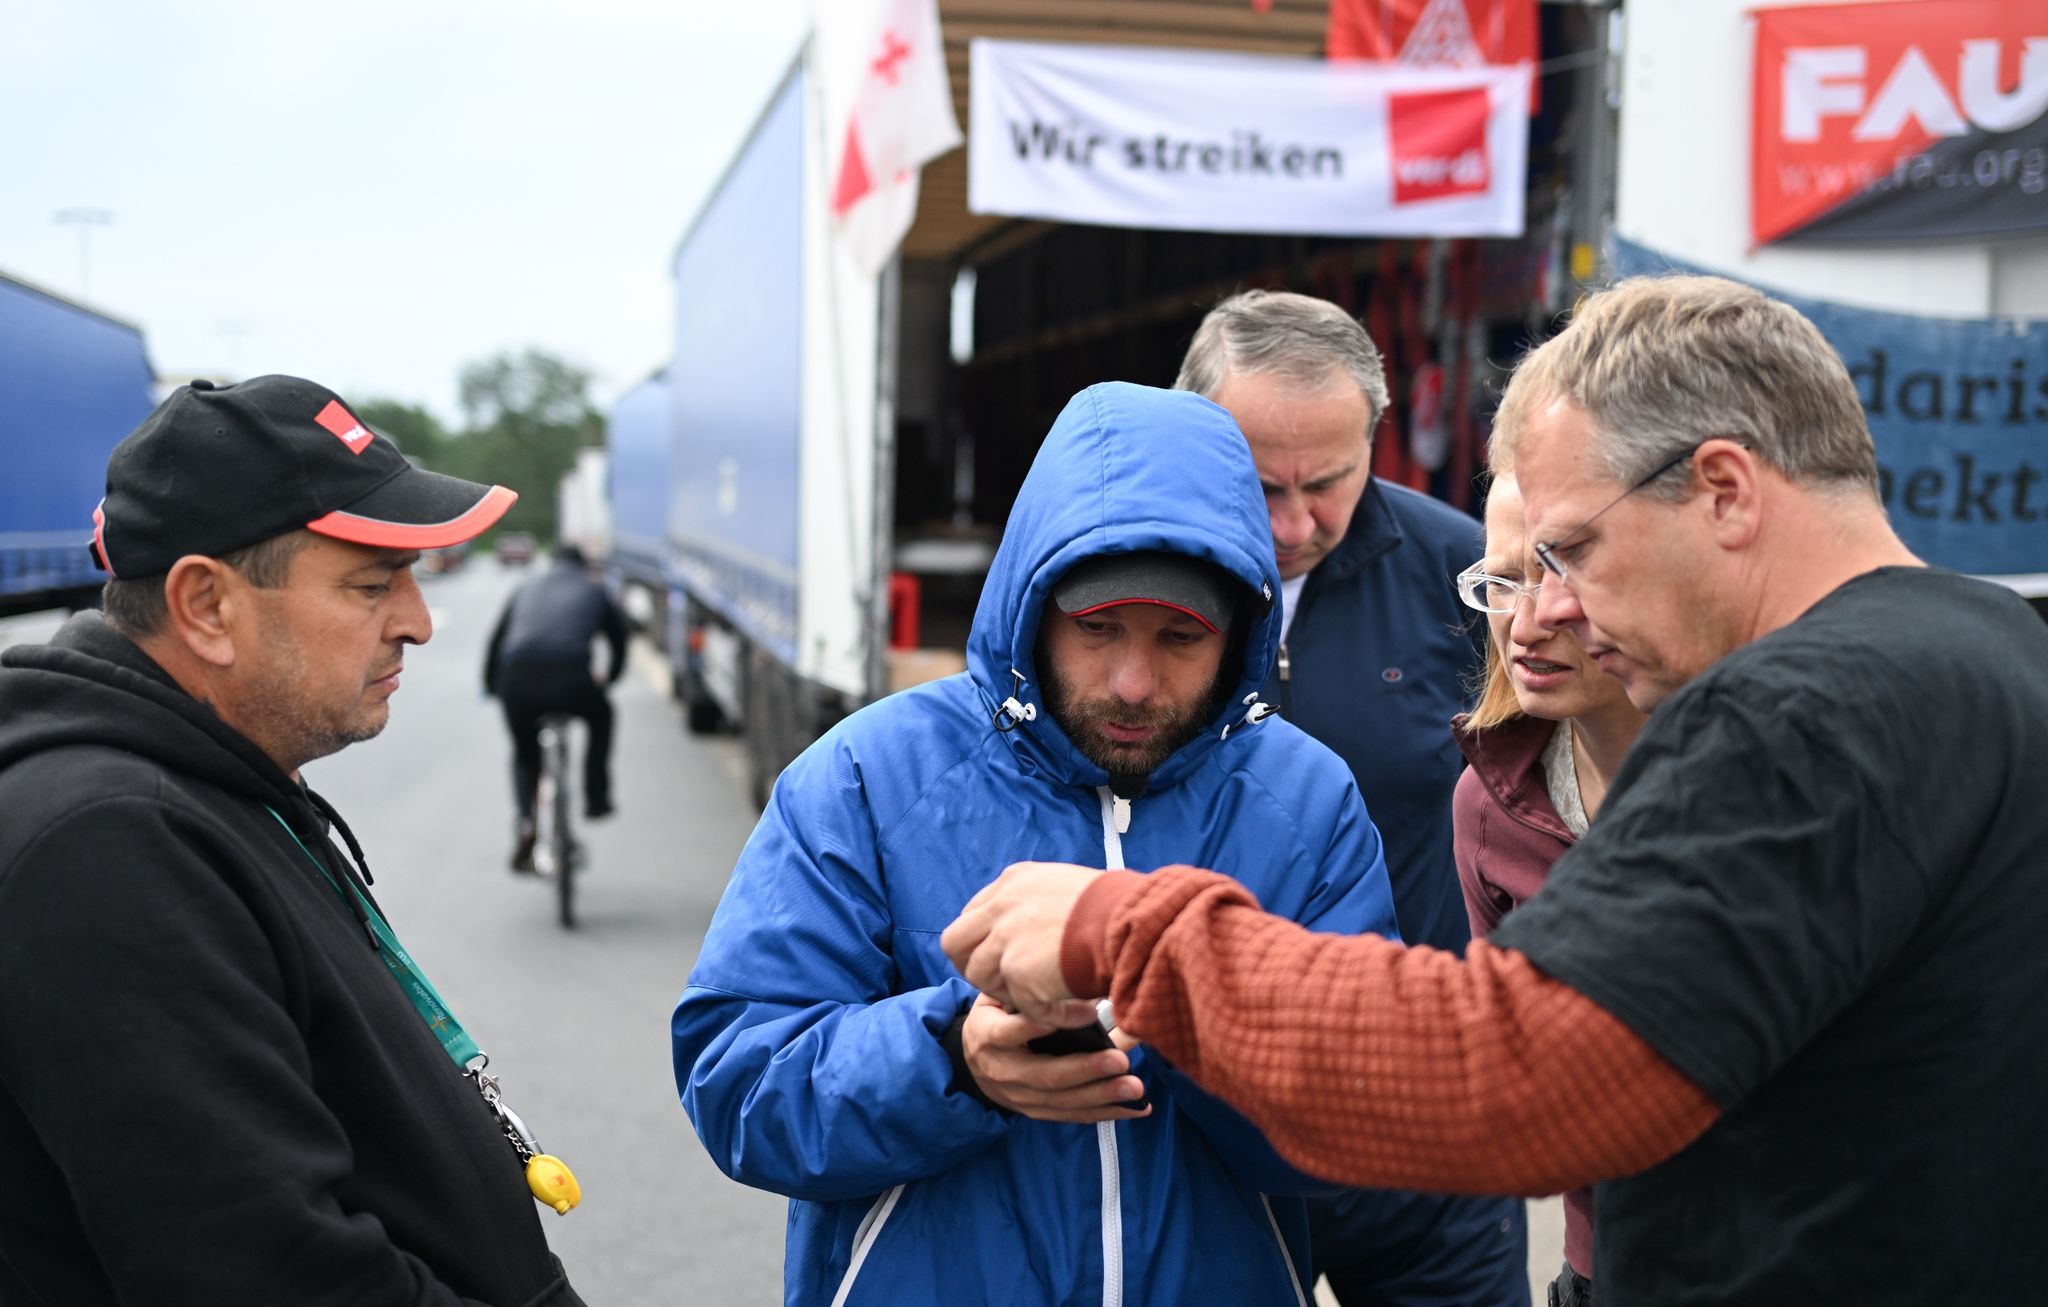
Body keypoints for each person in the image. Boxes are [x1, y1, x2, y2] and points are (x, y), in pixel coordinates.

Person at [942, 275, 2048, 1304]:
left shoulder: (1799, 712)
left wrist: (1125, 929)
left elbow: (1515, 1071)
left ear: (1723, 490)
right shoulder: (1995, 648)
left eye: (1572, 550)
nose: (1553, 611)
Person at [672, 381, 1398, 1306]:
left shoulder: (1308, 800)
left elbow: (1363, 1117)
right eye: (1098, 628)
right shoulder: (863, 776)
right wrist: (952, 1058)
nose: (1133, 680)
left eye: (1181, 637)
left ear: (1243, 637)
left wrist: (1196, 1013)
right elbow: (739, 1083)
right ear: (1033, 604)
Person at [0, 375, 586, 1305]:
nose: (417, 622)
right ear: (206, 605)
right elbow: (267, 1268)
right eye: (372, 584)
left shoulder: (207, 781)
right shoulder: (105, 844)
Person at [1178, 290, 1523, 1304]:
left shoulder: (1467, 579)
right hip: (1199, 1122)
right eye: (1260, 486)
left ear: (1374, 433)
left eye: (1327, 483)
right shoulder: (1120, 590)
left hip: (1427, 1124)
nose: (1294, 524)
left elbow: (1556, 805)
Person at [1452, 475, 1647, 1307]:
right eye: (1502, 581)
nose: (1526, 623)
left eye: (1562, 571)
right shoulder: (1489, 800)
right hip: (1602, 1268)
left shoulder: (1763, 770)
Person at [483, 542, 628, 870]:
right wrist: (611, 678)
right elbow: (618, 639)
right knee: (603, 716)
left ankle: (525, 821)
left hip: (517, 678)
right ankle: (597, 799)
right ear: (583, 566)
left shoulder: (526, 587)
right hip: (571, 677)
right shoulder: (594, 589)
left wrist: (491, 686)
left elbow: (496, 641)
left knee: (525, 754)